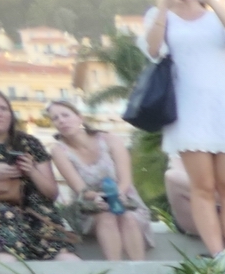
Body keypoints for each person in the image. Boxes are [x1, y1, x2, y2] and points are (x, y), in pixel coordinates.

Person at [142, 0, 225, 264]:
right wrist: (165, 6)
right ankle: (218, 254)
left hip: (224, 109)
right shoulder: (159, 15)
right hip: (189, 114)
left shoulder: (213, 11)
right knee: (203, 188)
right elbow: (153, 50)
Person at [0, 89, 80, 261]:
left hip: (36, 210)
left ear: (10, 114)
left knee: (59, 249)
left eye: (4, 108)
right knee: (6, 221)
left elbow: (52, 193)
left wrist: (31, 171)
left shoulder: (29, 143)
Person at [42, 98, 148, 261]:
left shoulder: (109, 139)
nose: (61, 120)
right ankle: (115, 273)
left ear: (80, 118)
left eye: (65, 115)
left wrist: (117, 195)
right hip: (90, 205)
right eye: (55, 118)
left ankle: (141, 273)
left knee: (128, 217)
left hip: (125, 199)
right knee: (107, 217)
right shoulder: (59, 150)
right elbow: (80, 189)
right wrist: (99, 198)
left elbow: (126, 179)